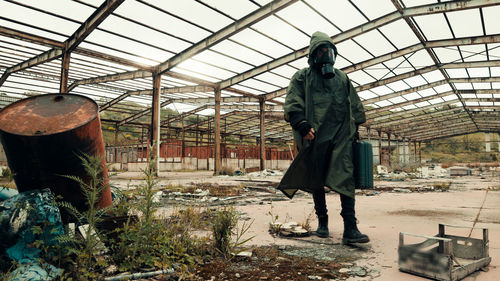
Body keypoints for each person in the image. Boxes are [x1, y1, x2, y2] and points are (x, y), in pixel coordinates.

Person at [278, 31, 369, 244]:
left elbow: (354, 106)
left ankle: (350, 228)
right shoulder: (302, 77)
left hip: (340, 138)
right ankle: (322, 222)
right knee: (316, 179)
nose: (326, 54)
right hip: (314, 137)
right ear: (312, 54)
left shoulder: (342, 78)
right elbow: (293, 102)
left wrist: (354, 128)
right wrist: (301, 124)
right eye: (321, 50)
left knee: (346, 176)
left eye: (329, 50)